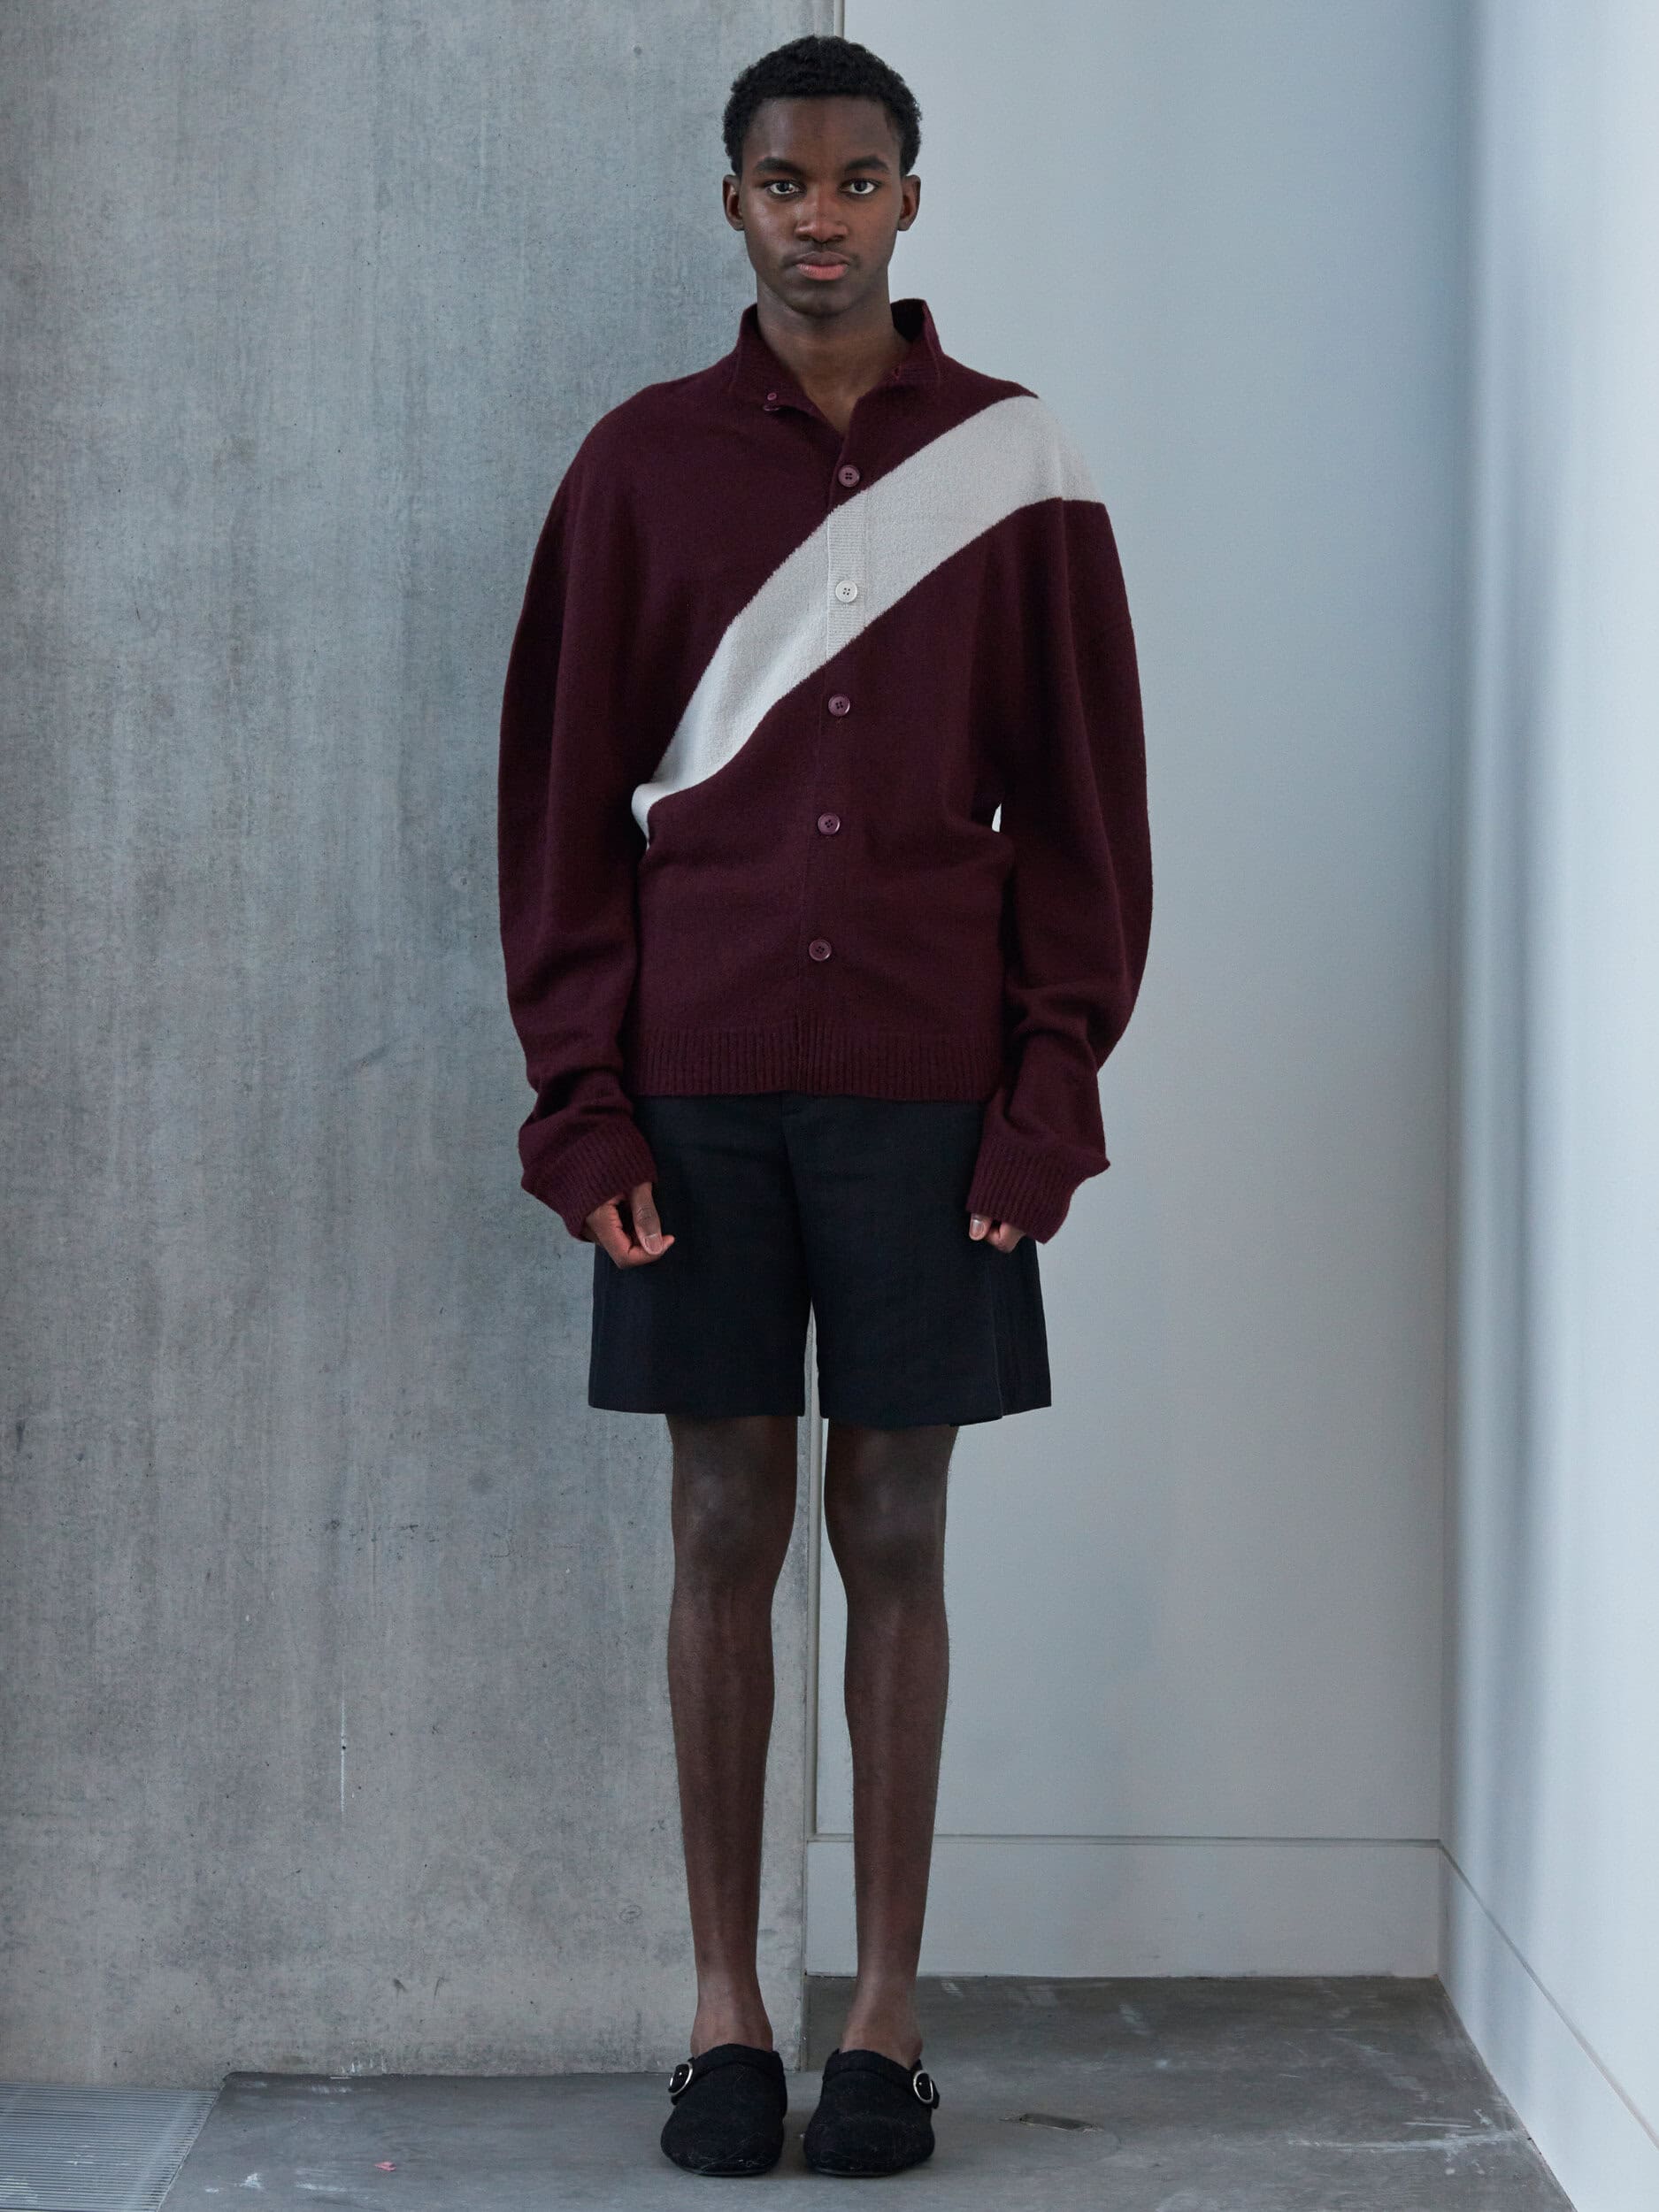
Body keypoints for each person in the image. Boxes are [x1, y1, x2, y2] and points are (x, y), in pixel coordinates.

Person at [495, 31, 1152, 2181]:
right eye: (782, 182)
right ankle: (721, 2011)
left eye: (855, 180)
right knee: (719, 1521)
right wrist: (581, 1105)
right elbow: (556, 809)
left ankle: (881, 2013)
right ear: (732, 202)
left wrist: (1044, 1097)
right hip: (690, 1092)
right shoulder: (638, 465)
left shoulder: (1016, 462)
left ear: (906, 198)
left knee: (895, 1523)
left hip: (927, 1092)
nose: (818, 216)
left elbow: (1084, 811)